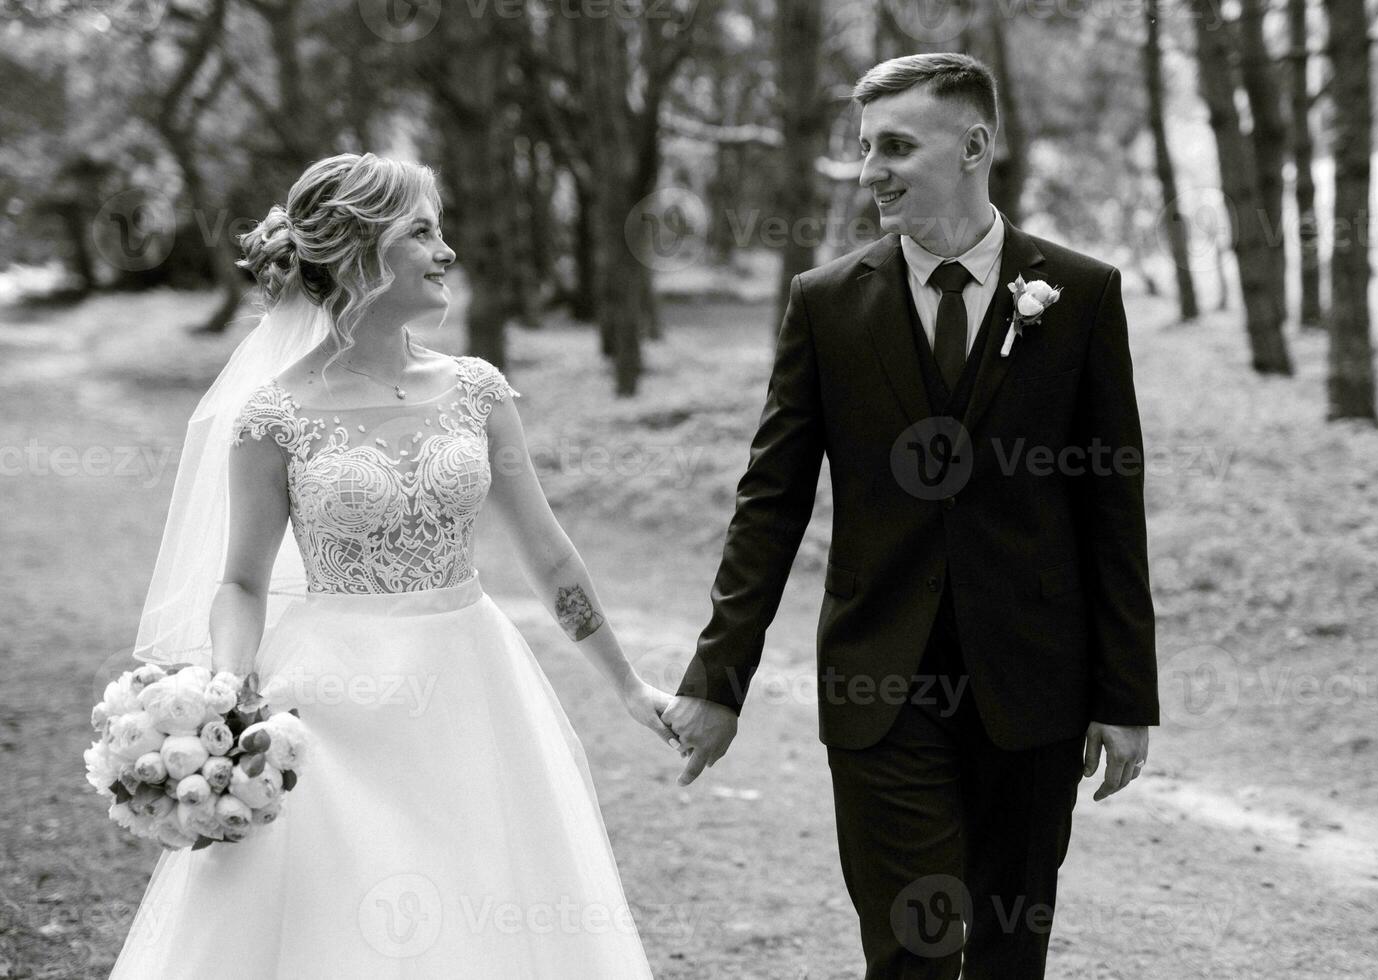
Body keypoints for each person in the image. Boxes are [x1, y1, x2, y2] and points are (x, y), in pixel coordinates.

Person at [109, 152, 671, 978]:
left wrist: (628, 684)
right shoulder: (273, 414)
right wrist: (230, 693)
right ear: (353, 249)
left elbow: (549, 554)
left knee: (487, 896)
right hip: (327, 700)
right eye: (422, 232)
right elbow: (239, 581)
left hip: (471, 683)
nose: (447, 252)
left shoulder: (476, 391)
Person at [661, 53, 1160, 978]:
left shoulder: (1081, 296)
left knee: (1011, 952)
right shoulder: (825, 305)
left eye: (896, 146)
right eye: (864, 148)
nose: (870, 171)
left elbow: (1110, 505)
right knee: (913, 952)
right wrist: (717, 677)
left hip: (1034, 686)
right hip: (879, 687)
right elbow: (771, 502)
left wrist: (1126, 695)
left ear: (974, 146)